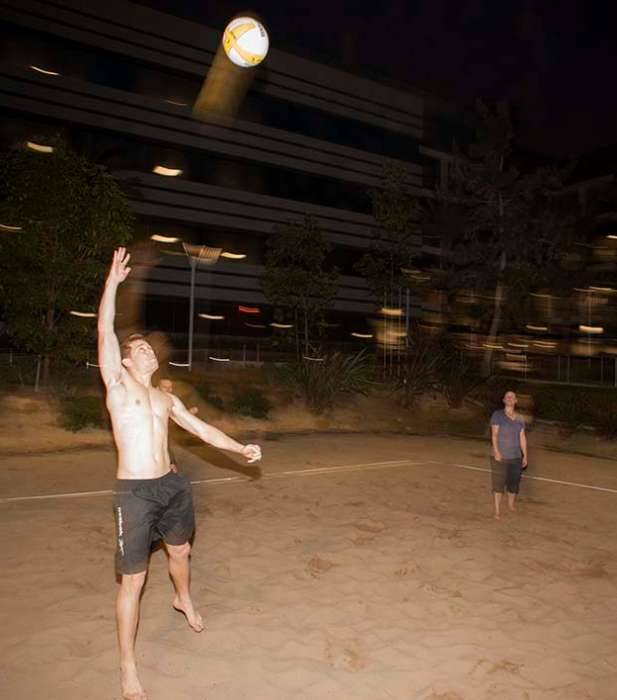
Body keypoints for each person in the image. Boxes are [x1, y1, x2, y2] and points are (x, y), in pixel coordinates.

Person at [98, 248, 261, 700]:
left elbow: (203, 429)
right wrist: (113, 283)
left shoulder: (164, 400)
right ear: (127, 362)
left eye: (149, 346)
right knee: (134, 579)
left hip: (171, 486)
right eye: (139, 348)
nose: (147, 349)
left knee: (182, 550)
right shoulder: (117, 384)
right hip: (135, 492)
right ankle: (128, 668)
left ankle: (183, 596)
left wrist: (239, 447)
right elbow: (105, 330)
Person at [490, 390, 528, 520]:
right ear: (504, 400)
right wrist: (497, 452)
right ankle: (497, 510)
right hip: (500, 456)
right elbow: (494, 435)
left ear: (516, 400)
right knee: (498, 484)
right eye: (507, 397)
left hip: (516, 456)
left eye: (512, 397)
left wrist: (525, 456)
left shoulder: (520, 418)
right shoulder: (498, 415)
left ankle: (511, 505)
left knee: (514, 483)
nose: (510, 398)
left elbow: (522, 437)